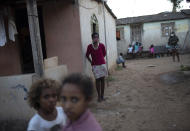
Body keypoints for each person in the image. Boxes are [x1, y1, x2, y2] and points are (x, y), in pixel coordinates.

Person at [86, 32, 107, 102]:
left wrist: (100, 60)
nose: (96, 39)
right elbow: (87, 55)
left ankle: (102, 96)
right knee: (97, 80)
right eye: (94, 37)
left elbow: (104, 54)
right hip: (95, 66)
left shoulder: (101, 45)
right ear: (92, 38)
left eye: (97, 37)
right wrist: (91, 62)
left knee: (103, 80)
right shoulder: (89, 46)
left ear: (98, 38)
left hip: (102, 65)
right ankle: (99, 97)